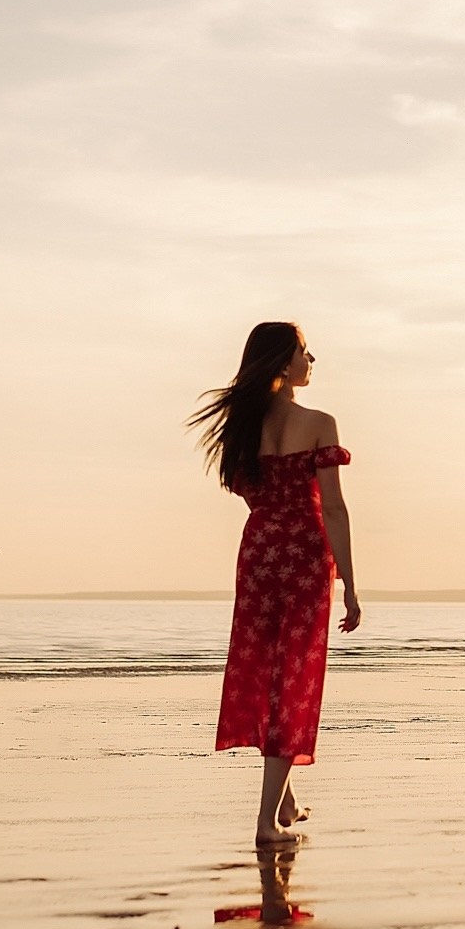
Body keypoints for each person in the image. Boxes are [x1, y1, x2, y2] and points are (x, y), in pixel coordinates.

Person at [190, 322, 360, 846]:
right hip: (305, 555)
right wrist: (350, 583)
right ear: (285, 364)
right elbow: (331, 506)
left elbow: (248, 493)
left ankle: (283, 801)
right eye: (306, 353)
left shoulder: (241, 429)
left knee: (265, 673)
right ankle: (267, 822)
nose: (312, 361)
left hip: (260, 552)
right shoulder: (319, 422)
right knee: (295, 680)